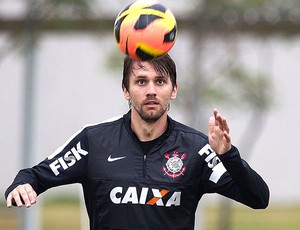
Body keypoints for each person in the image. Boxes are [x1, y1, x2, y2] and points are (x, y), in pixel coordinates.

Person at [5, 54, 269, 229]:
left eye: (160, 81)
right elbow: (35, 176)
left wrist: (228, 155)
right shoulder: (94, 142)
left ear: (173, 90)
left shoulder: (197, 148)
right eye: (141, 81)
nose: (151, 90)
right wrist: (21, 185)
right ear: (126, 90)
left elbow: (258, 198)